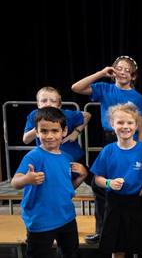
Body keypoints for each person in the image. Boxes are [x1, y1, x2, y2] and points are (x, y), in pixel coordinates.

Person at [71, 55, 142, 244]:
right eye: (118, 68)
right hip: (110, 141)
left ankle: (136, 230)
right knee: (103, 186)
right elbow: (76, 88)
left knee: (132, 185)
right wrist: (101, 73)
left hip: (132, 143)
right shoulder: (104, 88)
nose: (122, 72)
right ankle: (103, 229)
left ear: (133, 76)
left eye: (126, 70)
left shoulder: (137, 97)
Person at [12, 106, 88, 258]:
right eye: (44, 131)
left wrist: (81, 177)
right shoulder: (33, 156)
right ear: (37, 132)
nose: (49, 136)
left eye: (55, 131)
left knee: (71, 253)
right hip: (41, 221)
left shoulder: (67, 158)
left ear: (64, 131)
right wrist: (27, 179)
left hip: (67, 218)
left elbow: (66, 188)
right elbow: (15, 182)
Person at [90, 103, 142, 258]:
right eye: (120, 122)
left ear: (136, 125)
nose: (125, 126)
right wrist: (109, 183)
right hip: (115, 204)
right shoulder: (108, 151)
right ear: (112, 125)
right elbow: (97, 178)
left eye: (130, 122)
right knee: (117, 249)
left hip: (137, 204)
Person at [23, 86, 91, 178]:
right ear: (38, 104)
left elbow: (87, 115)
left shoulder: (67, 115)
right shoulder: (33, 116)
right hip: (48, 159)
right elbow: (26, 140)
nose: (48, 104)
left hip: (73, 157)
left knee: (85, 178)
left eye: (53, 101)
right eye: (44, 101)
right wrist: (40, 127)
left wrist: (76, 132)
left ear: (59, 106)